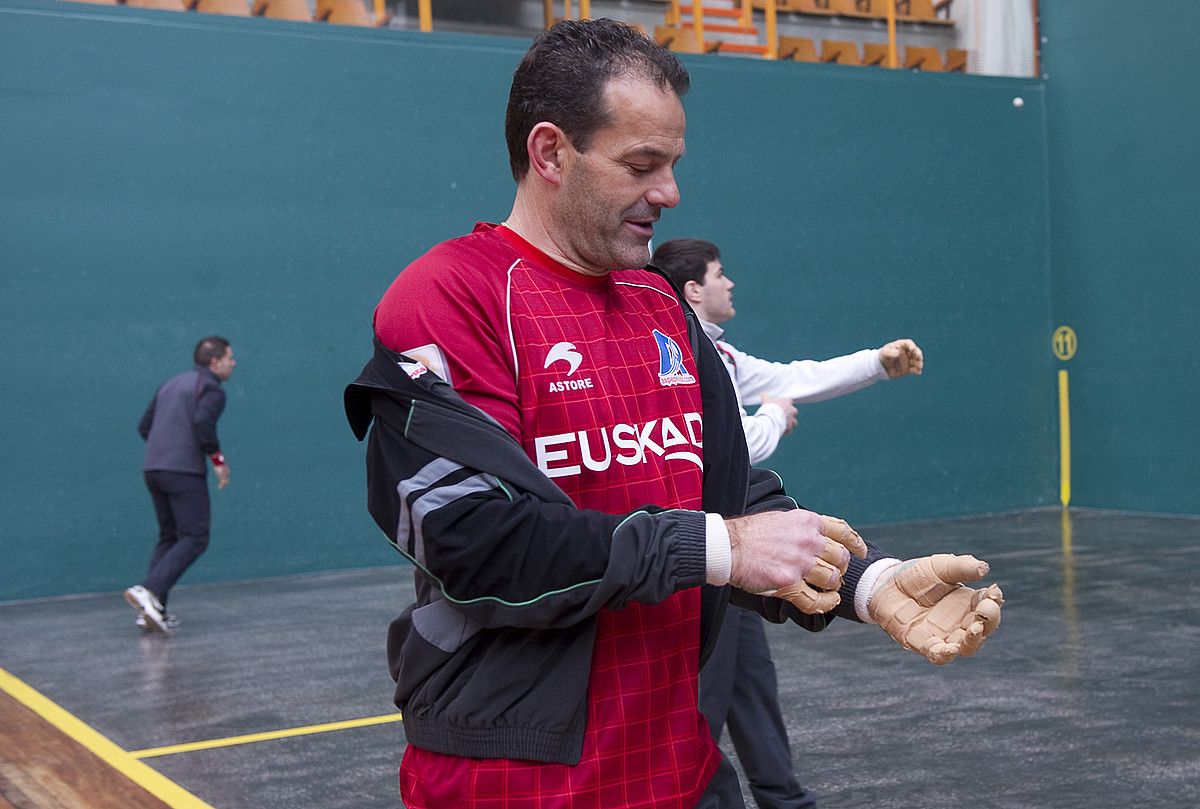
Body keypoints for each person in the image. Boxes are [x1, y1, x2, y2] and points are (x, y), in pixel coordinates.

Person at [345, 18, 1003, 809]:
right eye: (640, 165)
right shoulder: (453, 294)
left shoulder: (663, 305)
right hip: (509, 782)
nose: (669, 193)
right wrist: (717, 545)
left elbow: (733, 494)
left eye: (672, 164)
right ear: (551, 153)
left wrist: (869, 582)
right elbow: (474, 542)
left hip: (676, 768)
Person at [652, 237, 924, 808]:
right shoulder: (663, 350)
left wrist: (877, 363)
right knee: (697, 699)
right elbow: (721, 447)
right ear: (693, 289)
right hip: (704, 551)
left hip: (744, 549)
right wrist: (772, 417)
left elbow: (794, 377)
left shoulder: (720, 356)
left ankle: (784, 799)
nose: (731, 284)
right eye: (720, 275)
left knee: (752, 686)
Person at [125, 336, 235, 634]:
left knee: (170, 537)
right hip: (183, 472)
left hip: (153, 469)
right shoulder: (211, 389)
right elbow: (203, 424)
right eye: (230, 357)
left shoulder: (171, 385)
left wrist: (166, 450)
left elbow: (144, 427)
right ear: (215, 362)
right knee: (195, 536)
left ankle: (152, 607)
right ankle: (148, 591)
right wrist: (218, 461)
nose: (233, 363)